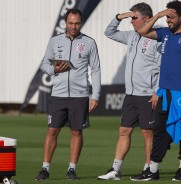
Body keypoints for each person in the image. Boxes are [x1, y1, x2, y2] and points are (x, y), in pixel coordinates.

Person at [130, 0, 181, 181]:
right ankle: (153, 170)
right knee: (159, 130)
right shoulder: (165, 34)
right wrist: (157, 16)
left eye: (171, 17)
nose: (168, 21)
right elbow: (142, 31)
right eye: (167, 17)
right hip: (164, 92)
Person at [97, 2, 161, 181]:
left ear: (147, 19)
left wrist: (157, 91)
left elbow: (162, 67)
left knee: (147, 133)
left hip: (148, 94)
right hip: (131, 94)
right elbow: (109, 32)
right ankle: (115, 170)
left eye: (135, 18)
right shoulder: (131, 36)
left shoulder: (157, 38)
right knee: (124, 130)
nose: (131, 21)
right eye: (131, 18)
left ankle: (150, 169)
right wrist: (119, 17)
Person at [35, 8, 101, 180]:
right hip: (58, 94)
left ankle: (72, 168)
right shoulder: (55, 41)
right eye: (71, 23)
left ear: (81, 22)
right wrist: (54, 69)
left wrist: (95, 96)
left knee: (76, 132)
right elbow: (44, 64)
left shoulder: (89, 42)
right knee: (52, 131)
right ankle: (45, 168)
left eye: (77, 23)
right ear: (66, 23)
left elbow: (96, 70)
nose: (74, 26)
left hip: (80, 96)